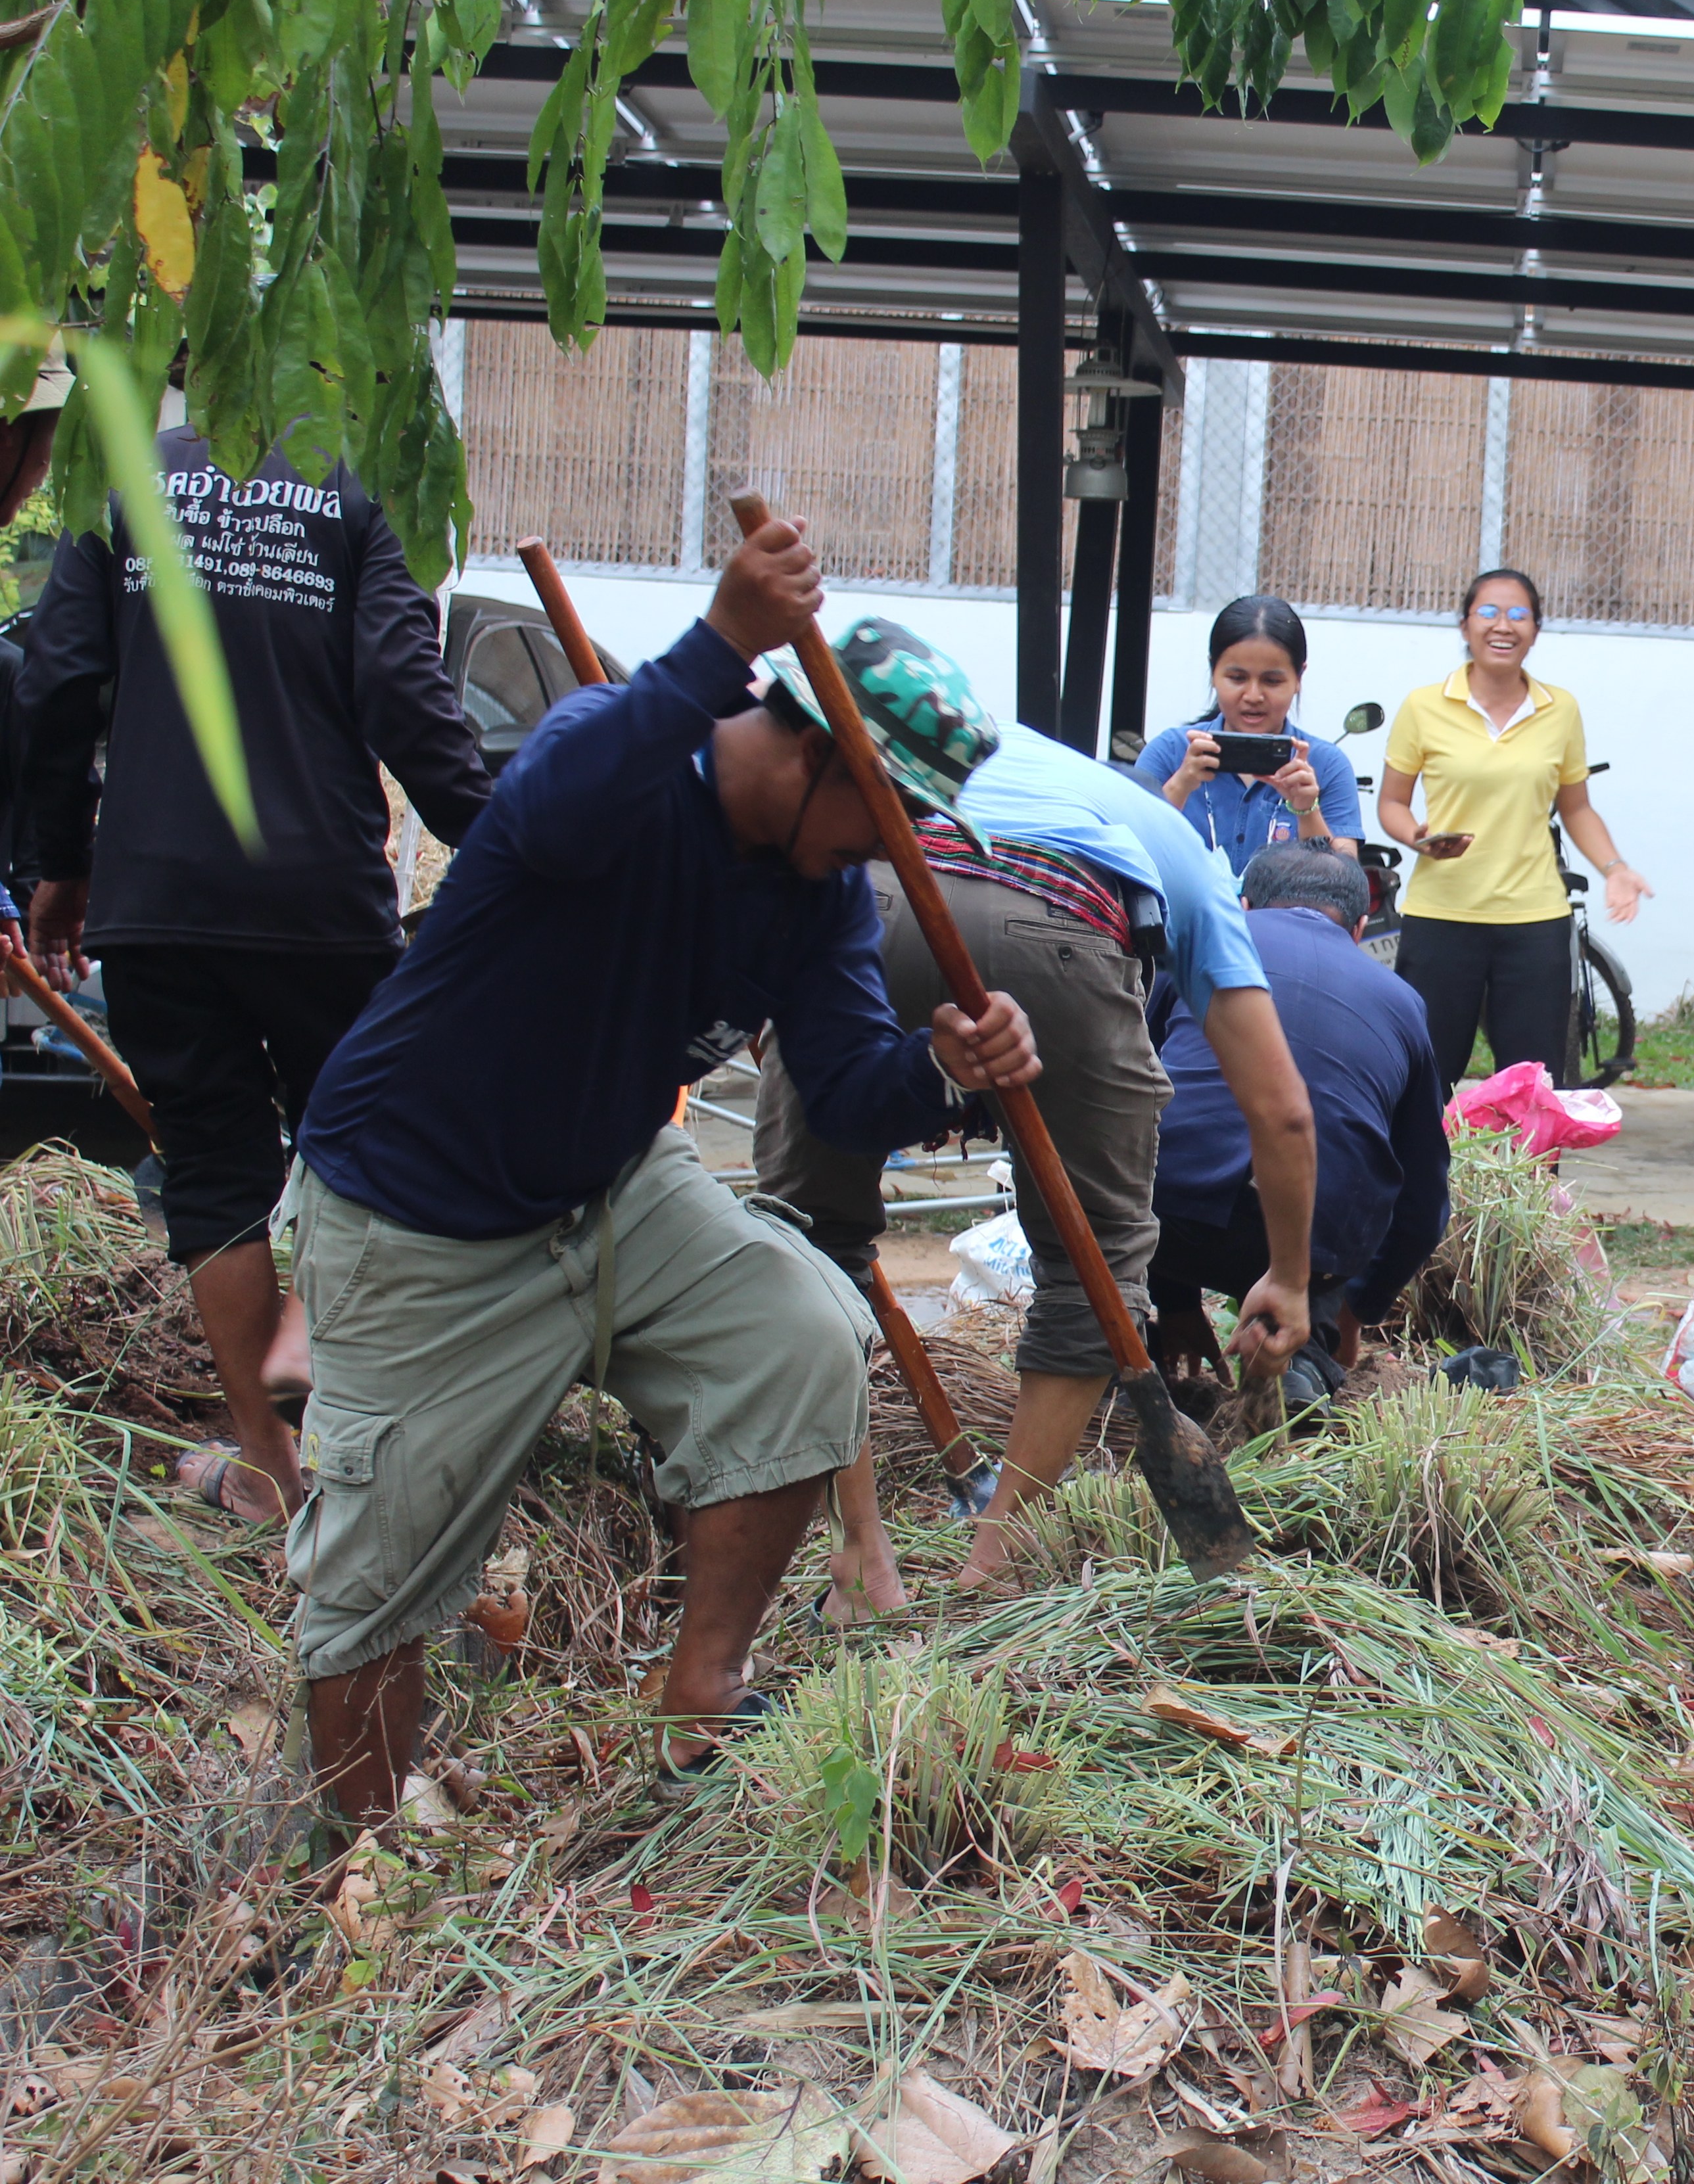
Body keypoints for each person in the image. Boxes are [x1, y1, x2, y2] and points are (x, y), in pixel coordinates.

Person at [281, 520, 1041, 1826]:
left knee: (801, 1339)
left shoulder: (813, 894)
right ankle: (353, 1858)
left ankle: (702, 1696)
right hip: (417, 1214)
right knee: (376, 1579)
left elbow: (847, 1091)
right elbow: (545, 814)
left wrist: (941, 1069)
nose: (893, 846)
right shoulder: (621, 761)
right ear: (814, 752)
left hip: (607, 1185)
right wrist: (723, 637)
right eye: (892, 811)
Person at [752, 647, 1316, 1598]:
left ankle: (859, 1552)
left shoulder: (932, 751)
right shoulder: (1177, 848)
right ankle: (995, 1561)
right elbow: (1284, 1112)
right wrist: (1289, 1279)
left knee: (806, 1241)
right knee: (1097, 1261)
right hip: (1059, 923)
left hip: (867, 885)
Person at [18, 425, 494, 1527]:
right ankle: (361, 1441)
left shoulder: (125, 475)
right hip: (315, 892)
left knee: (213, 1169)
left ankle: (270, 1469)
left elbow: (57, 682)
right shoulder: (364, 486)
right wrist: (501, 837)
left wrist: (62, 866)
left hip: (159, 893)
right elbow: (402, 690)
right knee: (367, 1150)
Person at [1150, 845, 1446, 1406]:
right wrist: (1352, 1314)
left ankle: (1118, 1348)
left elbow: (1127, 1096)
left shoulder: (1195, 951)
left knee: (1146, 1158)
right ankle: (1300, 1355)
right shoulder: (1403, 1002)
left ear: (1243, 906)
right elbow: (1423, 1203)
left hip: (1170, 1217)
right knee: (1343, 1179)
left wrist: (1173, 1299)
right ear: (1359, 929)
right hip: (1318, 1241)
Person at [1378, 569, 1647, 1089]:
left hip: (1534, 921)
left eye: (1519, 615)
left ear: (1536, 631)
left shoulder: (1560, 709)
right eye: (1489, 613)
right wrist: (1417, 838)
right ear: (1465, 626)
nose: (1503, 625)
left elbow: (1577, 808)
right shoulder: (1424, 706)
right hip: (1441, 916)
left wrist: (1616, 868)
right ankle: (1424, 1152)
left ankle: (1527, 1152)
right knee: (1423, 1080)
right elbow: (1392, 803)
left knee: (1534, 1085)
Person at [1125, 593, 1362, 868]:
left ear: (1299, 678)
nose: (1253, 696)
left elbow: (1344, 882)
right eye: (1237, 678)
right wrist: (1181, 784)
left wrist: (1307, 810)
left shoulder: (1327, 765)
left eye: (1272, 681)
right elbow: (1127, 854)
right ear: (1213, 671)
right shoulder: (1170, 752)